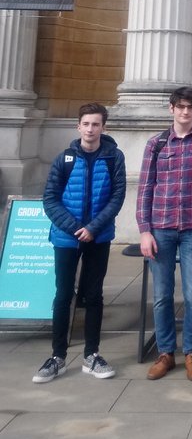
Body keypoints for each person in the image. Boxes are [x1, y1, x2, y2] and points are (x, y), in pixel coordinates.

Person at [33, 102, 126, 383]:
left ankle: (92, 355)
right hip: (66, 237)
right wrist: (76, 229)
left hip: (99, 237)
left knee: (94, 295)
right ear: (78, 126)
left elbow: (117, 196)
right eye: (86, 123)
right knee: (63, 295)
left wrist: (93, 228)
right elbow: (50, 198)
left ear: (103, 127)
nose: (90, 129)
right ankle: (57, 356)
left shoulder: (113, 157)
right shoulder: (64, 158)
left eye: (96, 124)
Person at [136, 86, 192, 382]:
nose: (186, 112)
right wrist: (144, 231)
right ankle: (165, 353)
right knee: (161, 296)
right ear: (171, 109)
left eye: (191, 107)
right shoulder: (156, 143)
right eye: (181, 107)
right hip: (160, 228)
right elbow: (145, 188)